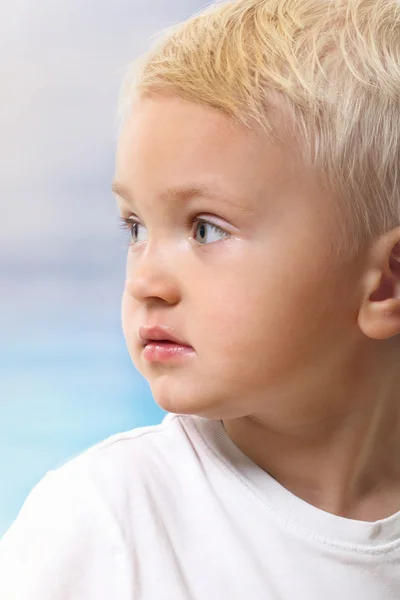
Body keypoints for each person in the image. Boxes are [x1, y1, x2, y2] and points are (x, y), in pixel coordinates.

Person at [2, 0, 400, 597]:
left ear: (385, 284)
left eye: (205, 228)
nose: (146, 282)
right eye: (135, 227)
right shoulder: (106, 524)